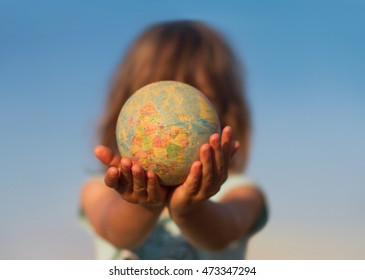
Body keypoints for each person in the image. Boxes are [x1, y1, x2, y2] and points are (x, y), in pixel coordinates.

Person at [80, 20, 268, 259]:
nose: (172, 122)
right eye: (156, 102)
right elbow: (114, 230)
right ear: (124, 108)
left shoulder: (241, 193)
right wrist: (145, 206)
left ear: (224, 113)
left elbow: (222, 234)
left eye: (194, 101)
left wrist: (190, 211)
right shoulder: (99, 190)